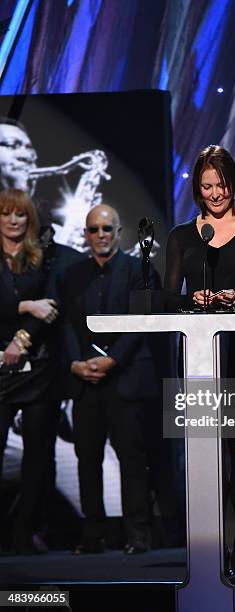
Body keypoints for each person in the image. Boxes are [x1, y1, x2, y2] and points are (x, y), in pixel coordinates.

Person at [164, 145, 235, 574]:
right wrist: (192, 298)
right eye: (206, 186)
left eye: (221, 184)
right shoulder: (181, 236)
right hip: (197, 355)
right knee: (203, 450)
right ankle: (209, 545)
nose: (214, 193)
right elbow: (168, 296)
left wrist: (234, 297)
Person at [59, 203, 160, 554]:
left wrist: (112, 359)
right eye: (93, 230)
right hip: (85, 381)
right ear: (85, 235)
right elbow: (67, 325)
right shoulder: (71, 275)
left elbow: (142, 321)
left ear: (118, 232)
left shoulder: (138, 270)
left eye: (106, 229)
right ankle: (93, 535)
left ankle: (138, 535)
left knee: (132, 459)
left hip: (125, 379)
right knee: (87, 459)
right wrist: (76, 363)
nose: (100, 235)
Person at [0, 188, 59, 553]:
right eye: (6, 214)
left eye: (20, 215)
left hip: (36, 367)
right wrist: (26, 305)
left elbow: (51, 307)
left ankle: (27, 530)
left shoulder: (42, 257)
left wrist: (21, 339)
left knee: (38, 454)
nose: (13, 220)